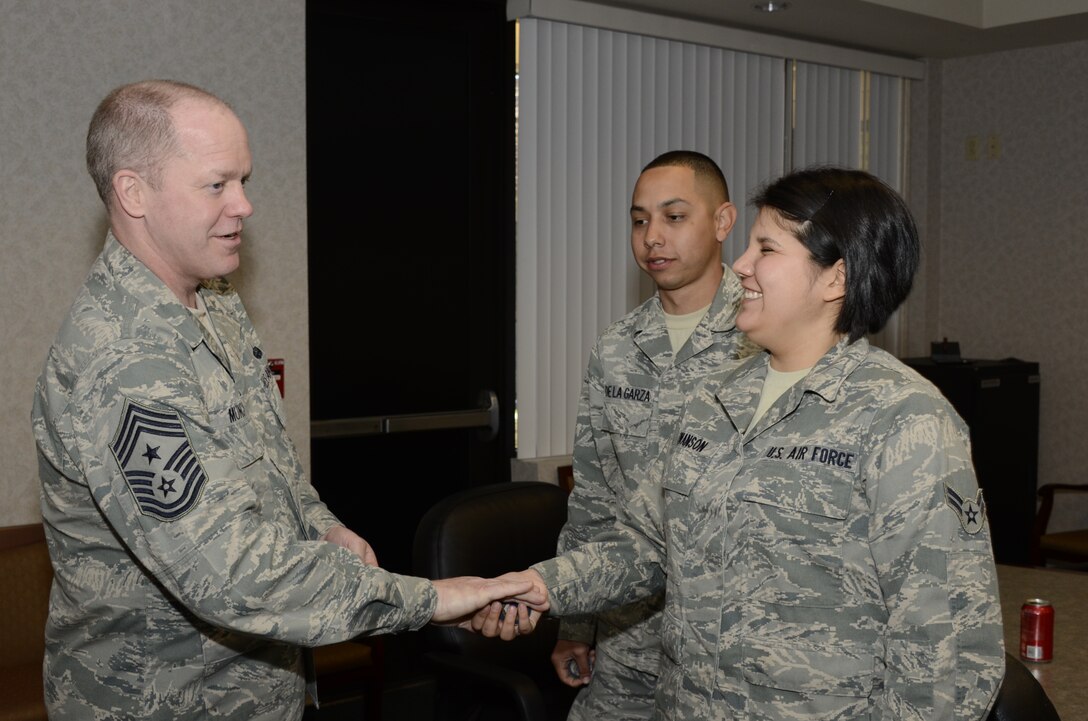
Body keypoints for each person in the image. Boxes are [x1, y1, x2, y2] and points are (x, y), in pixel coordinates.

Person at [31, 79, 540, 721]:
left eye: (243, 180)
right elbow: (230, 572)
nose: (244, 205)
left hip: (260, 689)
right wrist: (430, 599)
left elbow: (265, 460)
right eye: (217, 185)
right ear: (134, 192)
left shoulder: (213, 299)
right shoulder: (124, 360)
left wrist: (319, 524)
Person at [481, 167, 1006, 720]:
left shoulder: (906, 421)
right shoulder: (713, 399)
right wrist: (540, 585)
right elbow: (644, 548)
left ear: (836, 278)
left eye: (767, 248)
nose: (742, 265)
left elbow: (949, 659)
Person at [551, 150, 755, 720]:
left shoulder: (763, 337)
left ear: (722, 221)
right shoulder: (616, 349)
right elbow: (594, 497)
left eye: (673, 217)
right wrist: (576, 623)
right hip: (629, 632)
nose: (652, 237)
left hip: (731, 640)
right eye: (640, 221)